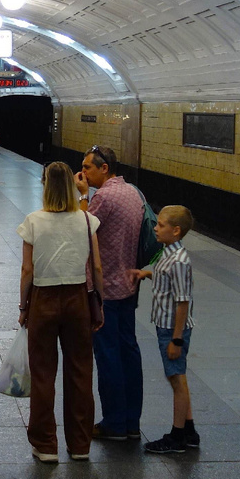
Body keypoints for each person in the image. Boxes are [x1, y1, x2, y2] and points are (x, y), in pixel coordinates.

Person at [18, 161, 104, 463]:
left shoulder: (33, 221)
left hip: (43, 297)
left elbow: (27, 270)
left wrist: (23, 306)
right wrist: (99, 303)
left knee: (43, 373)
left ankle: (45, 445)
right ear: (71, 185)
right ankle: (80, 445)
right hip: (77, 298)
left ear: (44, 185)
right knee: (80, 371)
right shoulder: (85, 220)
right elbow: (95, 266)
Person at [74, 145, 145, 441]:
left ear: (105, 168)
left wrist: (82, 196)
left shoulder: (103, 196)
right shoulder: (133, 192)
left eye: (88, 168)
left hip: (106, 291)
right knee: (130, 352)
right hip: (128, 286)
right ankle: (130, 422)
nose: (83, 173)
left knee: (108, 356)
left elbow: (80, 229)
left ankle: (114, 423)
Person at [129, 206, 200, 453]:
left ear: (176, 230)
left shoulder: (179, 261)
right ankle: (190, 431)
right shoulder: (167, 254)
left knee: (176, 379)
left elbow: (183, 301)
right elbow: (165, 280)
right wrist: (145, 274)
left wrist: (177, 340)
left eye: (160, 225)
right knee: (176, 377)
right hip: (165, 326)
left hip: (172, 329)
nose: (155, 228)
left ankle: (177, 436)